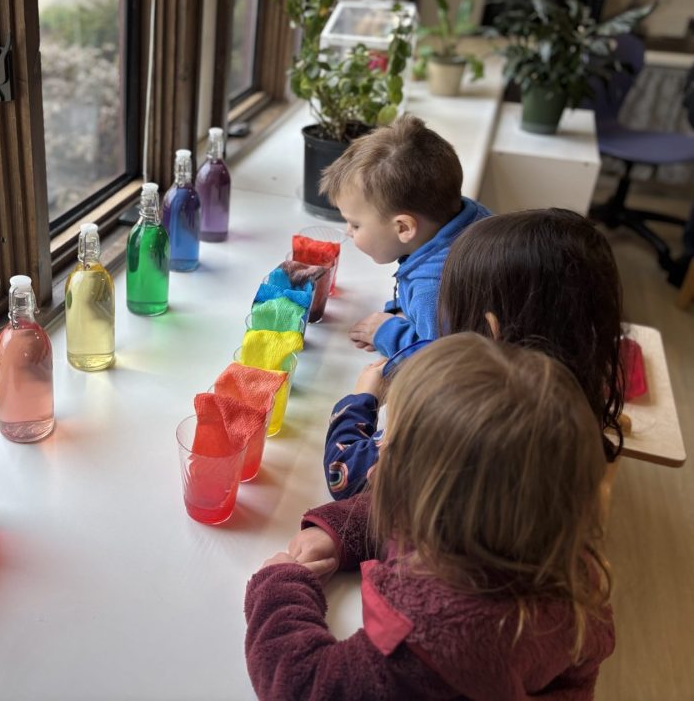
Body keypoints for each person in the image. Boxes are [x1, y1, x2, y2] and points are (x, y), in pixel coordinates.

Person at [246, 334, 615, 700]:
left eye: (390, 445)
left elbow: (303, 686)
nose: (377, 459)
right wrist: (340, 532)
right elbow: (410, 509)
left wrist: (280, 589)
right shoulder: (548, 547)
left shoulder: (434, 643)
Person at [323, 208, 625, 500]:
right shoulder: (575, 394)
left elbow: (344, 474)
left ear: (492, 328)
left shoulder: (465, 416)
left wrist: (361, 400)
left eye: (452, 304)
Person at [317, 115, 490, 358]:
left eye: (355, 225)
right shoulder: (469, 217)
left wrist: (388, 333)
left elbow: (437, 359)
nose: (348, 231)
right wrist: (402, 311)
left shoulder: (434, 288)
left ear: (404, 228)